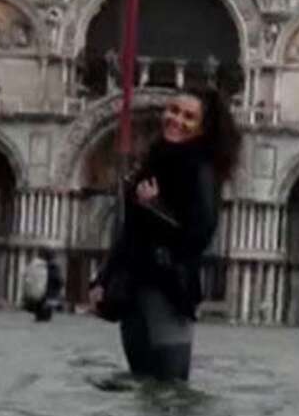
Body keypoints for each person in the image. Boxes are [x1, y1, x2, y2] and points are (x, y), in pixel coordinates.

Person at [90, 86, 240, 383]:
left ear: (203, 126)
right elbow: (129, 232)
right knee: (138, 384)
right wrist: (102, 279)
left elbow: (198, 235)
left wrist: (155, 208)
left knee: (170, 388)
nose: (177, 120)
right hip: (133, 289)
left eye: (189, 117)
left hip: (168, 290)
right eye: (173, 111)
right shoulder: (154, 160)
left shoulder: (201, 168)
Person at [21, 253, 51, 321]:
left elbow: (27, 278)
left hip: (35, 292)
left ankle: (40, 315)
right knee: (42, 305)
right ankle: (42, 316)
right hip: (41, 292)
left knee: (39, 304)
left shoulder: (33, 266)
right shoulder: (44, 267)